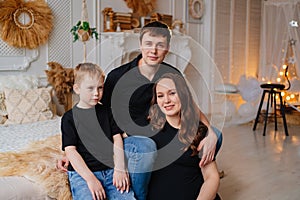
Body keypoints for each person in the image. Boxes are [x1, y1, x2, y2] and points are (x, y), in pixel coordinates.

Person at [58, 21, 222, 200]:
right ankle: (139, 196)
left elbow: (189, 105)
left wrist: (211, 133)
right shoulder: (118, 76)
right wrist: (71, 151)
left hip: (162, 132)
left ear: (167, 48)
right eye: (149, 44)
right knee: (145, 146)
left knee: (215, 136)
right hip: (132, 143)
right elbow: (94, 114)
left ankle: (191, 178)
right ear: (141, 45)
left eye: (160, 45)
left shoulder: (172, 74)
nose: (154, 50)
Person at [61, 63, 136, 200]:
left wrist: (119, 168)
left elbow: (117, 139)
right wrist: (91, 179)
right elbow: (71, 151)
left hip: (110, 170)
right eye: (90, 88)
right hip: (83, 174)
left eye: (100, 88)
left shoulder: (107, 112)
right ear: (77, 89)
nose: (96, 93)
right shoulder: (69, 118)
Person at [147, 73, 221, 200]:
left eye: (172, 93)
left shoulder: (199, 132)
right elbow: (116, 139)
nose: (166, 100)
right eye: (160, 96)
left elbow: (212, 177)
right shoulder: (149, 129)